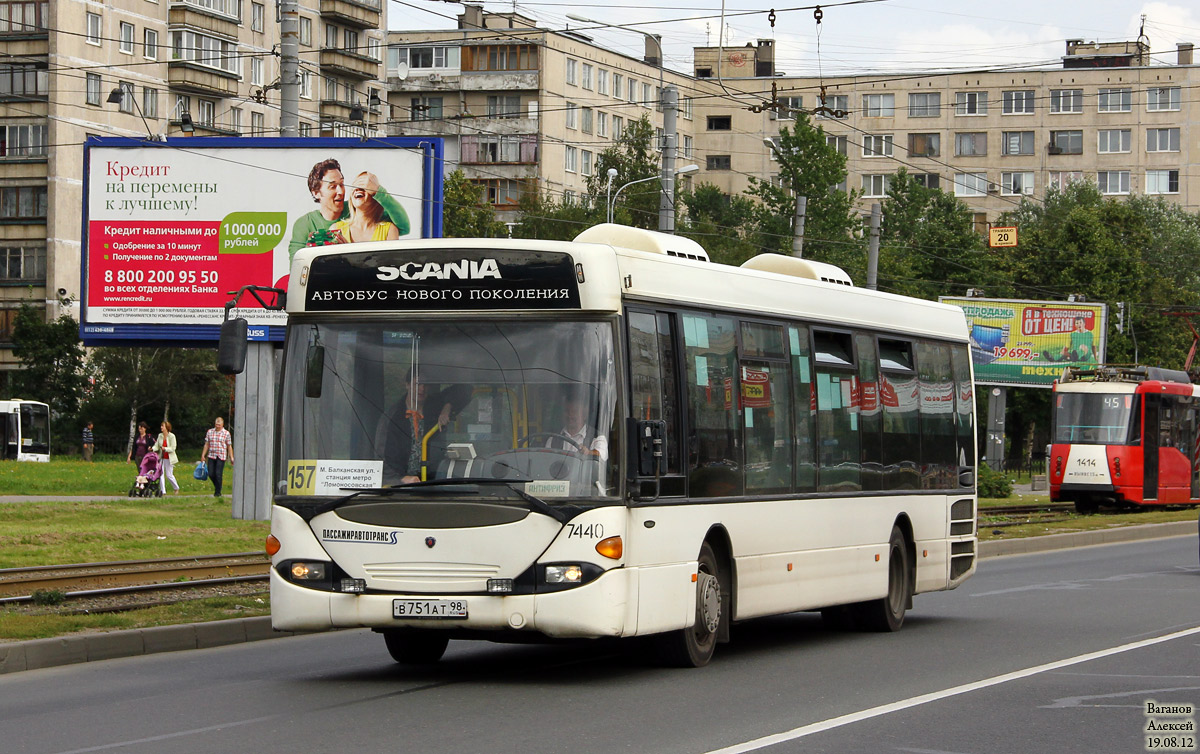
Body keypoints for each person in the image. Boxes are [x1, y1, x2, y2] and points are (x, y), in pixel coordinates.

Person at [288, 159, 411, 262]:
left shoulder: (362, 210)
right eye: (332, 186)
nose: (341, 192)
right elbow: (297, 265)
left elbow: (404, 226)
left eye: (342, 184)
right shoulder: (305, 224)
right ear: (316, 193)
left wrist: (378, 191)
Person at [376, 372, 471, 484]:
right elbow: (381, 456)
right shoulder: (392, 416)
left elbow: (465, 389)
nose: (422, 388)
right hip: (403, 485)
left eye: (426, 384)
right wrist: (398, 480)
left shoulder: (435, 407)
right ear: (407, 385)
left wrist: (447, 407)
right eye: (417, 384)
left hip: (435, 479)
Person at [330, 172, 402, 244]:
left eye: (365, 185)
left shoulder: (389, 230)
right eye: (355, 185)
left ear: (375, 195)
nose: (358, 189)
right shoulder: (336, 229)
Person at [546, 392, 608, 461]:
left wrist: (588, 453)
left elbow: (601, 456)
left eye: (574, 411)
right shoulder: (553, 440)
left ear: (584, 414)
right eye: (567, 411)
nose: (570, 415)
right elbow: (546, 462)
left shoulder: (598, 438)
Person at [201, 417, 234, 498]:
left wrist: (231, 457)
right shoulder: (210, 432)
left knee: (218, 474)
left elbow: (229, 446)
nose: (217, 426)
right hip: (211, 455)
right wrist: (203, 455)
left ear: (222, 424)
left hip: (221, 456)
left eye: (219, 424)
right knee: (211, 473)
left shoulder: (226, 433)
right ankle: (218, 486)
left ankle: (218, 492)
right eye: (216, 424)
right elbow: (207, 444)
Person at [152, 421, 180, 495]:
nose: (161, 427)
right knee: (160, 474)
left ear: (167, 428)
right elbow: (157, 445)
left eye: (163, 426)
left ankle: (176, 488)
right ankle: (163, 491)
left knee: (169, 475)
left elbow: (173, 448)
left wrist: (166, 449)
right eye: (161, 426)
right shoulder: (160, 435)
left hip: (169, 458)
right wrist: (152, 449)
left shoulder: (172, 436)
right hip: (161, 457)